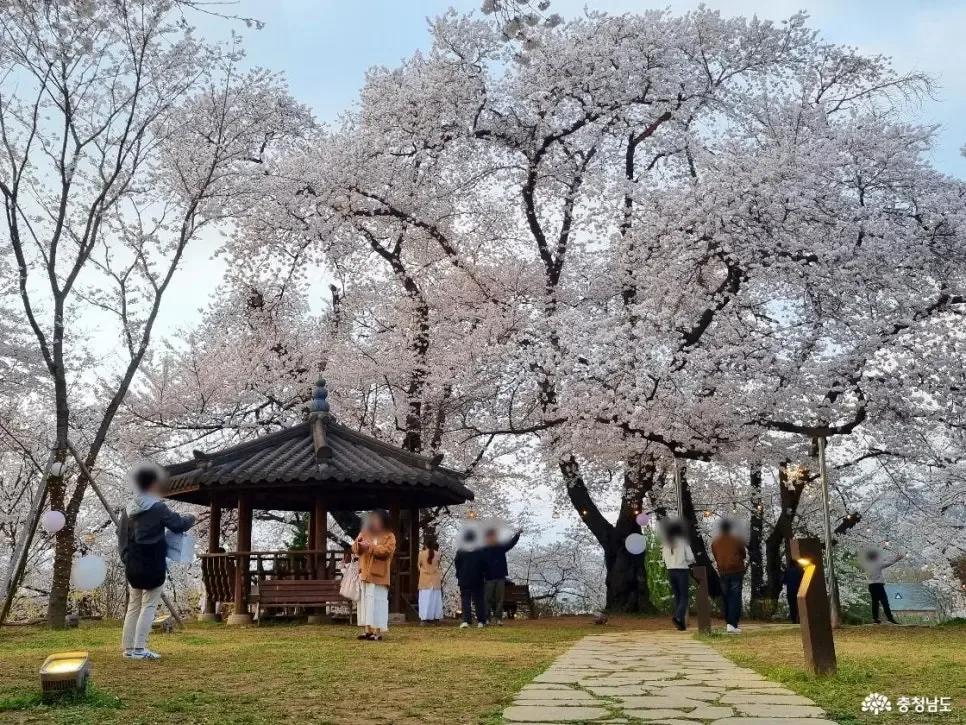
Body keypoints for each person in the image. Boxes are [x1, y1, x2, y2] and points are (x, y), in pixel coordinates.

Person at [117, 464, 196, 660]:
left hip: (133, 563)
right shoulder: (158, 507)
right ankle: (140, 649)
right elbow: (177, 524)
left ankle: (128, 649)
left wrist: (127, 559)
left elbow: (122, 540)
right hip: (153, 562)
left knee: (134, 605)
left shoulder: (127, 511)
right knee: (149, 605)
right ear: (152, 485)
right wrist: (191, 517)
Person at [352, 509, 397, 641]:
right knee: (365, 603)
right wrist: (358, 542)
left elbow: (386, 551)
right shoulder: (366, 533)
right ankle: (367, 630)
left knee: (377, 603)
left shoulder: (389, 536)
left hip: (379, 575)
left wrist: (370, 547)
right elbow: (355, 550)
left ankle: (377, 631)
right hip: (365, 573)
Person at [711, 519, 747, 634]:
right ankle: (733, 624)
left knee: (726, 597)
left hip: (723, 572)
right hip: (736, 571)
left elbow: (716, 556)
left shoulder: (715, 542)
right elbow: (743, 554)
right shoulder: (736, 540)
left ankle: (728, 623)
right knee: (735, 597)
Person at [481, 526, 522, 626]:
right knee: (488, 599)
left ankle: (498, 618)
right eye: (491, 536)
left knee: (500, 599)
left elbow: (510, 544)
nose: (493, 538)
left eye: (494, 536)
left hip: (500, 576)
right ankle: (487, 618)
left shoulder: (500, 547)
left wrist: (517, 535)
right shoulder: (483, 549)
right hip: (489, 577)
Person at [661, 519, 694, 631]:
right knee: (684, 597)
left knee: (678, 597)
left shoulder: (666, 543)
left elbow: (664, 559)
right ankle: (678, 617)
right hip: (682, 571)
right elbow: (690, 557)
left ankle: (681, 624)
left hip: (671, 571)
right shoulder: (683, 542)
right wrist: (688, 562)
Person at [862, 548, 905, 624]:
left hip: (871, 586)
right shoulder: (877, 563)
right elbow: (887, 563)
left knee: (875, 603)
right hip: (878, 585)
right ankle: (889, 618)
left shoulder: (867, 564)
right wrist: (897, 559)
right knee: (884, 602)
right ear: (875, 557)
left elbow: (883, 560)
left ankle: (875, 618)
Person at [454, 528, 487, 629]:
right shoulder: (480, 551)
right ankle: (481, 621)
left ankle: (466, 621)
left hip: (464, 579)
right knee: (479, 600)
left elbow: (457, 564)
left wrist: (459, 574)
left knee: (465, 600)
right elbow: (484, 565)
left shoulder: (460, 551)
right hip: (477, 578)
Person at [417, 534, 443, 625]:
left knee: (425, 600)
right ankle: (436, 618)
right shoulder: (438, 554)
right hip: (435, 580)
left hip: (424, 580)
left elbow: (418, 566)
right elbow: (438, 566)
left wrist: (422, 570)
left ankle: (424, 619)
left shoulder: (421, 554)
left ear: (425, 545)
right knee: (435, 600)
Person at [783, 558, 804, 624]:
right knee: (800, 605)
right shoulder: (800, 570)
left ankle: (794, 620)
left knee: (792, 606)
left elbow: (784, 581)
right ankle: (802, 619)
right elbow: (803, 579)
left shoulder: (787, 571)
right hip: (799, 590)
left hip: (790, 591)